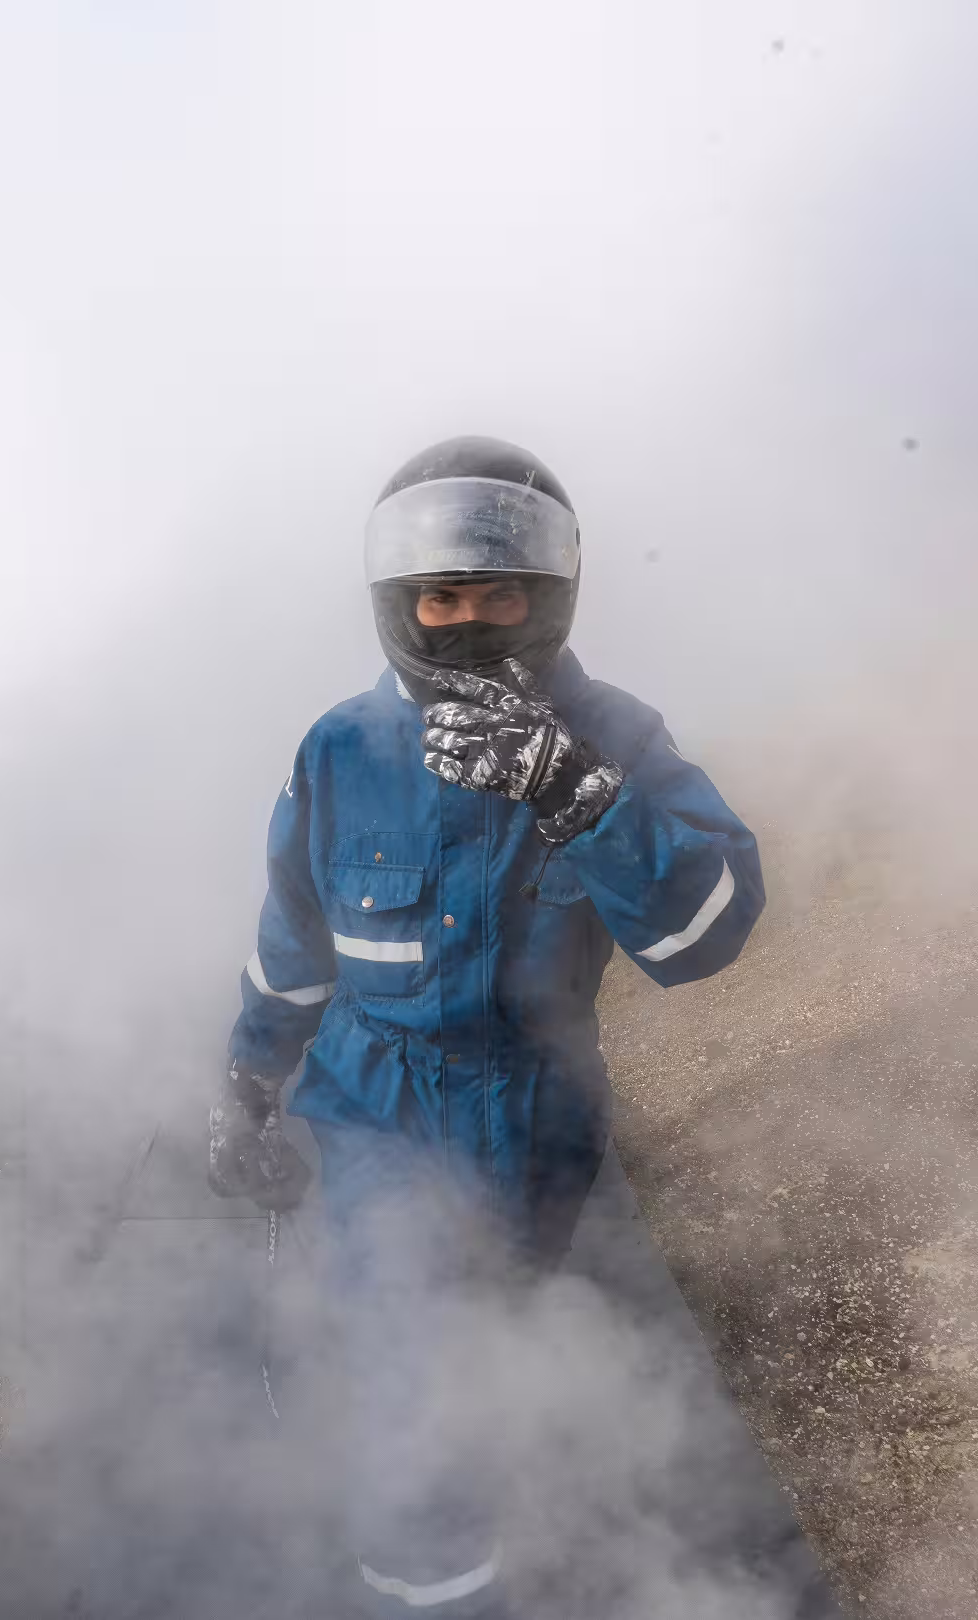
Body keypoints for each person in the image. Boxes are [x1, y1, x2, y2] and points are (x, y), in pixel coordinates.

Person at [209, 436, 765, 1615]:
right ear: (398, 603)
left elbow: (705, 933)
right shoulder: (338, 750)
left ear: (550, 596)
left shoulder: (616, 735)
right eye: (442, 596)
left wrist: (578, 793)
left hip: (541, 1107)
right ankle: (433, 1586)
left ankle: (512, 1502)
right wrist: (248, 1085)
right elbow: (294, 942)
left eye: (500, 594)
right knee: (415, 1366)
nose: (468, 621)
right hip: (378, 1103)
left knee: (504, 1330)